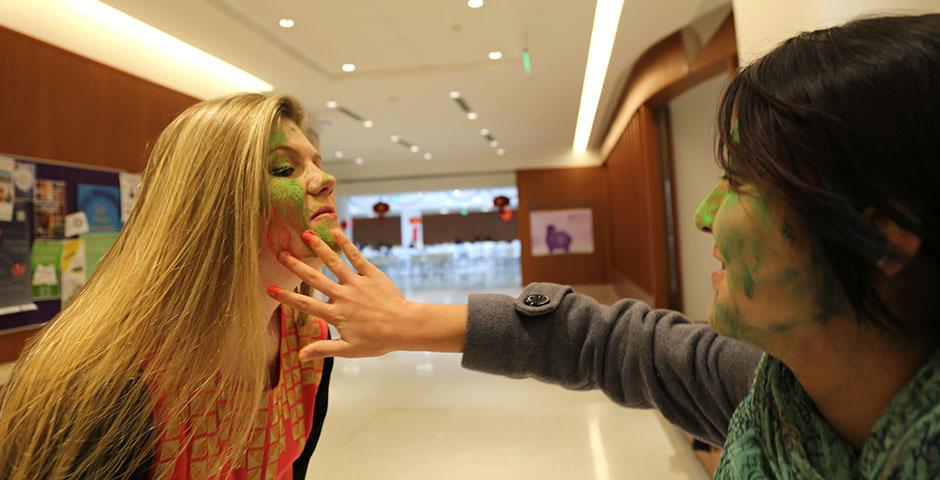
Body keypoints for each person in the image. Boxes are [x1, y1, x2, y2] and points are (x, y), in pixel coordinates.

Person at [269, 14, 940, 478]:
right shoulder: (773, 394)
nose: (705, 214)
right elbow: (609, 341)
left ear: (882, 236)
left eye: (741, 182)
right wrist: (410, 321)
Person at [0, 93, 339, 479]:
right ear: (211, 203)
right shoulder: (111, 379)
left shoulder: (310, 341)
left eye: (316, 163)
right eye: (283, 169)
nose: (325, 180)